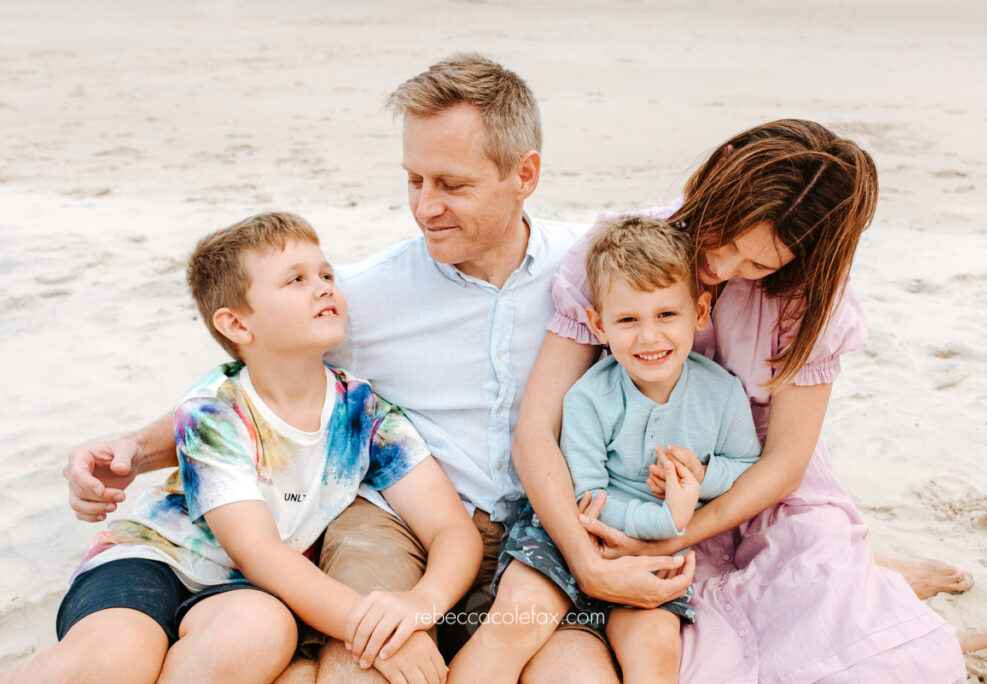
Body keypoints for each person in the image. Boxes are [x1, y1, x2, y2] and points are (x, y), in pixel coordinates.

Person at [60, 54, 693, 683]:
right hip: (396, 521)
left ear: (524, 174)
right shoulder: (356, 299)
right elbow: (247, 396)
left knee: (574, 674)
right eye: (413, 180)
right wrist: (129, 454)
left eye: (452, 184)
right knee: (367, 662)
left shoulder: (594, 273)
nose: (425, 207)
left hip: (542, 535)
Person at [511, 119, 974, 682]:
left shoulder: (810, 298)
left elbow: (783, 464)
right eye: (725, 240)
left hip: (751, 489)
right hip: (633, 482)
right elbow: (537, 428)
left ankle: (877, 580)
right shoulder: (623, 257)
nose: (723, 269)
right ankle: (873, 573)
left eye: (759, 264)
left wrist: (671, 537)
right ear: (719, 174)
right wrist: (589, 560)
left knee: (855, 632)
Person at [2, 213, 481, 684]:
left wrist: (423, 605)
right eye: (295, 280)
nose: (323, 287)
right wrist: (367, 627)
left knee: (260, 631)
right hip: (153, 562)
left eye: (326, 274)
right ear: (236, 325)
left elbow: (449, 528)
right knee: (117, 659)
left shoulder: (366, 414)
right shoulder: (214, 410)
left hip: (241, 593)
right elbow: (260, 551)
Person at [449, 214, 761, 683]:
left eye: (666, 315)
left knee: (655, 647)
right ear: (598, 324)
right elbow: (587, 499)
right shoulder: (589, 397)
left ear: (700, 312)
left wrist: (701, 476)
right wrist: (665, 519)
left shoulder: (723, 394)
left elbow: (745, 463)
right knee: (515, 622)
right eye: (628, 320)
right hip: (566, 539)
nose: (649, 336)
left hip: (653, 557)